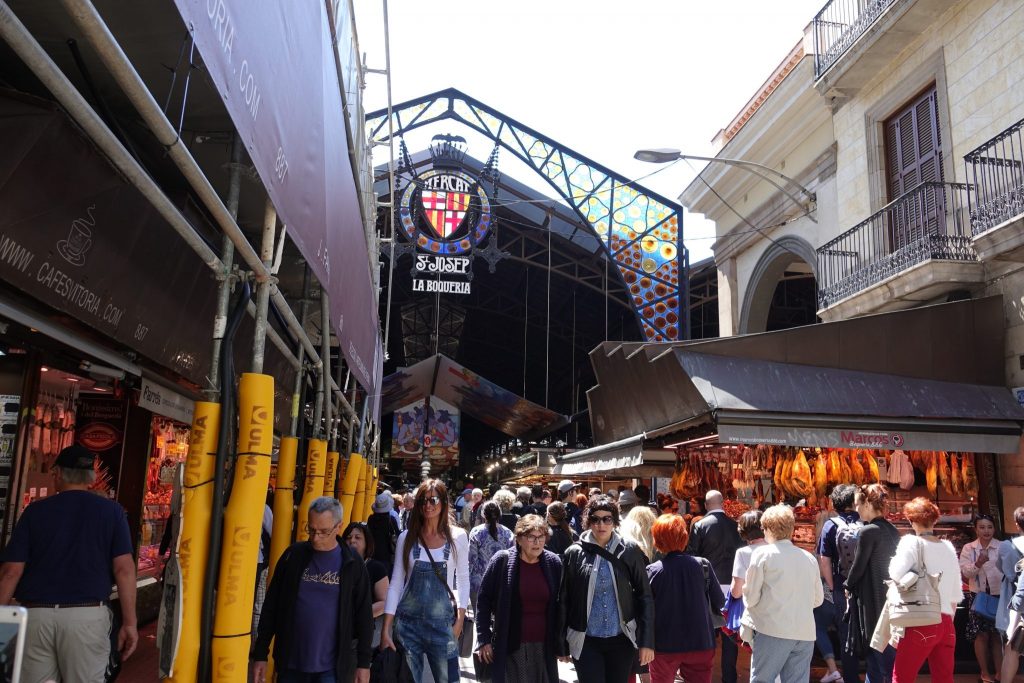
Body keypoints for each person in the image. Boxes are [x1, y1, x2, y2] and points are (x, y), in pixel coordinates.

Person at [0, 444, 138, 682]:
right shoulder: (112, 512)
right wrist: (130, 622)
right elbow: (124, 570)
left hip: (37, 617)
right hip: (87, 617)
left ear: (60, 474)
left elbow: (11, 572)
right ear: (91, 478)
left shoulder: (35, 512)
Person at [253, 496, 373, 683]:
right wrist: (260, 654)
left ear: (338, 527)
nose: (316, 538)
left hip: (332, 668)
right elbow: (272, 606)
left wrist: (364, 663)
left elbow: (364, 615)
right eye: (311, 530)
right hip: (290, 664)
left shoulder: (352, 563)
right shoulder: (293, 556)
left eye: (324, 531)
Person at [558, 495, 655, 683]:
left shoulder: (630, 551)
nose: (600, 524)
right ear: (587, 521)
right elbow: (564, 599)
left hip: (621, 639)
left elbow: (645, 596)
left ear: (615, 521)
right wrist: (561, 642)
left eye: (607, 519)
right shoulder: (574, 553)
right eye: (595, 519)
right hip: (586, 640)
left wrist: (647, 642)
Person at [381, 479, 470, 683]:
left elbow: (463, 580)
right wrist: (386, 627)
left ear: (444, 502)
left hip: (442, 626)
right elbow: (396, 583)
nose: (427, 505)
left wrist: (460, 620)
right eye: (422, 501)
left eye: (433, 500)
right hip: (407, 625)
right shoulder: (407, 537)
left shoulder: (458, 537)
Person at [742, 503, 824, 683]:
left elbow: (750, 598)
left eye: (763, 528)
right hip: (804, 632)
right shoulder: (808, 558)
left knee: (762, 680)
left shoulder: (763, 554)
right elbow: (818, 599)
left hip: (772, 629)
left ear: (769, 528)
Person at [476, 514, 563, 683]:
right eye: (531, 537)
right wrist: (483, 639)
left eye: (541, 537)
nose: (537, 542)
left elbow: (561, 604)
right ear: (519, 538)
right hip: (510, 645)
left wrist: (561, 643)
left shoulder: (553, 563)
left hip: (543, 646)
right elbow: (483, 601)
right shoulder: (502, 560)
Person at [887, 497, 961, 683]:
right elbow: (955, 591)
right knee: (944, 678)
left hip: (921, 619)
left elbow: (894, 573)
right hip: (946, 622)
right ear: (935, 520)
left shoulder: (910, 543)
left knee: (902, 677)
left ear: (911, 521)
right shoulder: (949, 547)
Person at [646, 513, 724, 683]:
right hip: (701, 641)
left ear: (657, 540)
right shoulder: (703, 565)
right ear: (684, 537)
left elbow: (645, 610)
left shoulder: (652, 571)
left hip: (664, 644)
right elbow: (719, 601)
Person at [687, 489, 744, 683]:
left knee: (708, 633)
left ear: (706, 504)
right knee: (730, 636)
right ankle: (729, 678)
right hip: (733, 585)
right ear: (722, 503)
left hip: (708, 585)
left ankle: (706, 676)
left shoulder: (700, 525)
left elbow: (692, 556)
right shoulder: (735, 525)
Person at [846, 483, 900, 683]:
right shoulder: (892, 529)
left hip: (873, 598)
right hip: (889, 598)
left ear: (867, 503)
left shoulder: (867, 531)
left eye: (857, 504)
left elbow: (858, 568)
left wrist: (847, 585)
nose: (856, 508)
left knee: (877, 656)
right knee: (883, 657)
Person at [817, 483, 861, 683]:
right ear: (855, 502)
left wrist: (833, 586)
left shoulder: (830, 525)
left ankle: (851, 677)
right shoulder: (865, 521)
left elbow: (824, 560)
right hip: (866, 587)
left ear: (834, 503)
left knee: (847, 637)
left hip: (842, 587)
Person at [960, 514, 1004, 682]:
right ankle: (985, 673)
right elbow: (965, 573)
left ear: (994, 528)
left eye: (990, 527)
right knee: (980, 635)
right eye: (982, 527)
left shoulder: (1002, 547)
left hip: (998, 595)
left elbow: (1008, 571)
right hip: (977, 596)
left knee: (997, 635)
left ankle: (1000, 673)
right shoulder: (969, 548)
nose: (986, 531)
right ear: (976, 529)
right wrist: (978, 563)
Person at [342, 522, 390, 649]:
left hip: (360, 633)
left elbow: (384, 602)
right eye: (348, 537)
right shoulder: (337, 564)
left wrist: (356, 615)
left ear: (367, 542)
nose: (352, 541)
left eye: (357, 537)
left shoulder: (376, 568)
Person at [468, 501, 514, 611]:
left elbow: (471, 560)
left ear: (483, 514)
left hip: (478, 582)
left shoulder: (476, 532)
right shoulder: (508, 533)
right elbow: (512, 559)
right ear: (500, 514)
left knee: (479, 620)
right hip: (501, 582)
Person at [999, 507, 1024, 683]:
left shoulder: (1007, 546)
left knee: (1012, 648)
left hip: (1020, 606)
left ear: (1016, 524)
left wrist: (1015, 605)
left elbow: (1005, 571)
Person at [368, 492, 401, 574]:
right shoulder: (391, 520)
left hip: (372, 555)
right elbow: (398, 535)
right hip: (387, 556)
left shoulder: (371, 519)